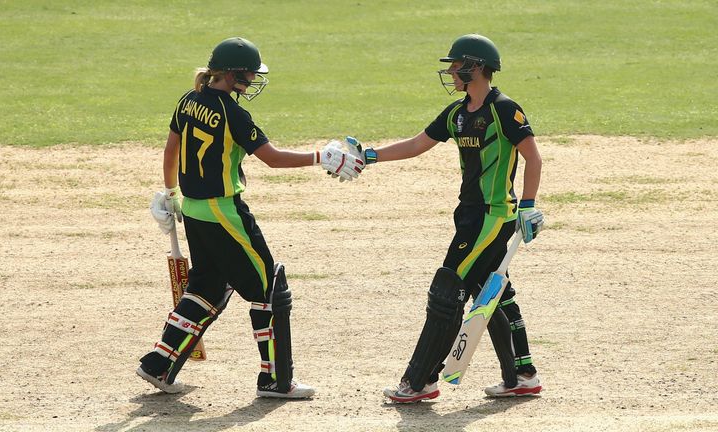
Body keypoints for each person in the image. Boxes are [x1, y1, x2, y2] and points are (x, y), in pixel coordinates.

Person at [137, 36, 364, 398]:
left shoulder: (188, 99)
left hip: (193, 210)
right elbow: (272, 158)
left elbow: (171, 149)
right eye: (250, 74)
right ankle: (275, 379)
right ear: (233, 74)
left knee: (207, 288)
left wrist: (169, 193)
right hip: (224, 212)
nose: (254, 79)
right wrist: (321, 157)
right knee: (269, 289)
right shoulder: (233, 113)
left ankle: (158, 364)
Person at [352, 34, 544, 402]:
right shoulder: (457, 113)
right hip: (468, 216)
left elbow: (532, 157)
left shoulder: (505, 109)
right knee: (493, 294)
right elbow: (416, 144)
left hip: (493, 217)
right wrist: (370, 155)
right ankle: (522, 375)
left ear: (477, 67)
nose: (452, 72)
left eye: (457, 65)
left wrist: (527, 205)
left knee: (448, 290)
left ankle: (421, 380)